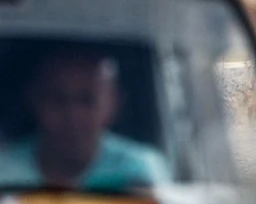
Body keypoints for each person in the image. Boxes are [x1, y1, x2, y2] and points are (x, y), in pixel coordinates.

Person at [0, 51, 171, 189]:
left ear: (113, 104)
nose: (73, 115)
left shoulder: (141, 171)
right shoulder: (5, 171)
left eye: (87, 100)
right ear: (34, 100)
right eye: (58, 100)